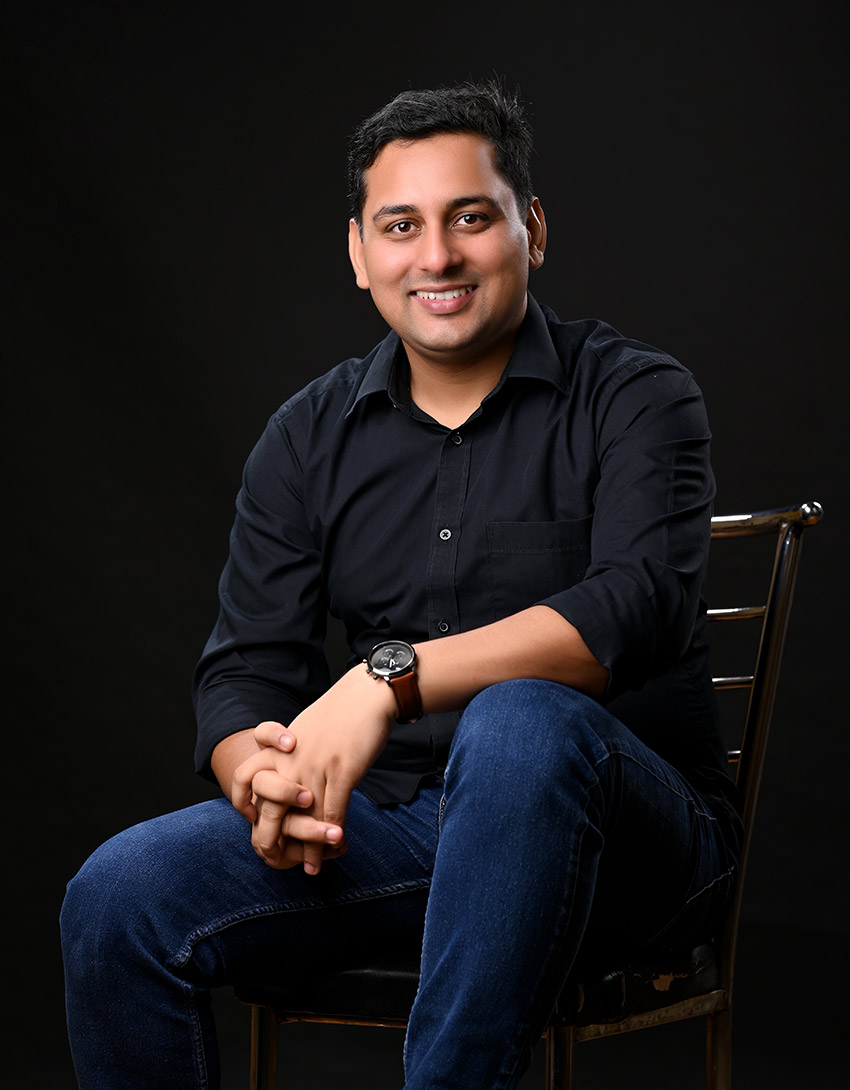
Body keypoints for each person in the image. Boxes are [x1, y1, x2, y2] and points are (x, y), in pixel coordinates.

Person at [61, 80, 742, 1089]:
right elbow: (245, 669)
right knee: (118, 891)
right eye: (401, 225)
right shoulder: (307, 434)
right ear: (358, 252)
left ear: (531, 228)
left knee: (522, 722)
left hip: (630, 850)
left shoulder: (637, 395)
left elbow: (633, 607)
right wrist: (266, 776)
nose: (436, 256)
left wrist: (387, 677)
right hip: (403, 835)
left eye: (471, 217)